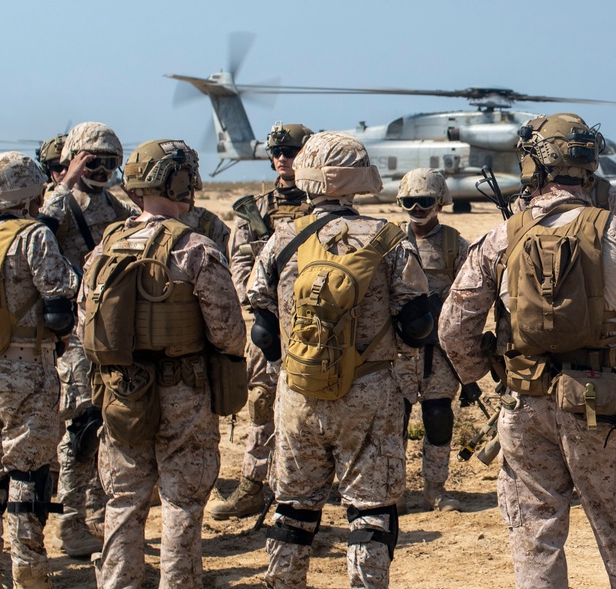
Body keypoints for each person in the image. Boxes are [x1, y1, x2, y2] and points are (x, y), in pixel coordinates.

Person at [439, 113, 616, 589]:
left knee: (535, 534)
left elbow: (453, 327)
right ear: (588, 168)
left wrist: (485, 372)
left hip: (522, 405)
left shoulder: (500, 238)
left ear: (534, 167)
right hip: (600, 406)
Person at [246, 131, 431, 588]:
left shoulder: (281, 239)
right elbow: (417, 325)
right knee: (370, 513)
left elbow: (262, 325)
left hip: (297, 392)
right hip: (369, 391)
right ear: (359, 180)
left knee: (293, 510)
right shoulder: (389, 240)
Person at [79, 140, 245, 587]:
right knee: (182, 501)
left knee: (123, 499)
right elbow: (229, 332)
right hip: (182, 389)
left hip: (120, 389)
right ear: (181, 181)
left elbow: (85, 324)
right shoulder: (196, 248)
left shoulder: (104, 245)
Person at [0, 152, 80, 589]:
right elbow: (59, 307)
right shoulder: (35, 237)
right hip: (26, 374)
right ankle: (30, 571)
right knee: (27, 475)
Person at [208, 122, 313, 520]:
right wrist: (256, 308)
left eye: (291, 150)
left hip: (312, 323)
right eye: (277, 151)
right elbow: (240, 264)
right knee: (262, 402)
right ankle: (253, 484)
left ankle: (299, 484)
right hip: (267, 325)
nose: (282, 157)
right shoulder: (254, 209)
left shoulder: (323, 206)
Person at [40, 122, 136, 558]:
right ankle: (71, 522)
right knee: (81, 430)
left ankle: (95, 517)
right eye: (92, 161)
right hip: (74, 336)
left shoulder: (116, 209)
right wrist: (66, 183)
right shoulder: (56, 206)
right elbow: (35, 239)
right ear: (75, 158)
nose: (100, 169)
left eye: (109, 162)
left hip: (109, 333)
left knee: (109, 426)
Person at [393, 168, 471, 512]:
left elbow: (472, 295)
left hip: (439, 351)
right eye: (410, 201)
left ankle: (435, 489)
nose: (417, 208)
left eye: (425, 201)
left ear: (439, 202)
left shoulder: (455, 244)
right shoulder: (390, 241)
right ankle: (391, 491)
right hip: (398, 349)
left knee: (438, 417)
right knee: (394, 420)